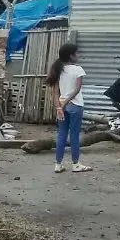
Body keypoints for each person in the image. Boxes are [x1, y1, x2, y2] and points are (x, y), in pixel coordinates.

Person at [46, 43, 92, 173]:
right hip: (75, 106)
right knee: (74, 136)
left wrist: (59, 106)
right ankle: (76, 164)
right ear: (71, 56)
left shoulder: (58, 69)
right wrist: (65, 102)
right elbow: (77, 90)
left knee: (61, 135)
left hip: (61, 107)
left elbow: (55, 91)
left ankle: (58, 165)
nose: (78, 55)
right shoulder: (78, 70)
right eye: (77, 53)